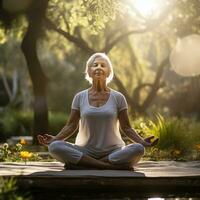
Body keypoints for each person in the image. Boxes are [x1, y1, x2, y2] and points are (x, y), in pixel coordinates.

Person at [37, 53, 158, 170]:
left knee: (138, 149)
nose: (98, 68)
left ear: (109, 72)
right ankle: (106, 166)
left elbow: (126, 128)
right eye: (95, 65)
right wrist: (55, 139)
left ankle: (84, 164)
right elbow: (71, 125)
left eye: (103, 65)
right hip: (85, 150)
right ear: (89, 71)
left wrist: (142, 142)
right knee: (55, 147)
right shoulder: (79, 97)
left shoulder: (118, 97)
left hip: (113, 151)